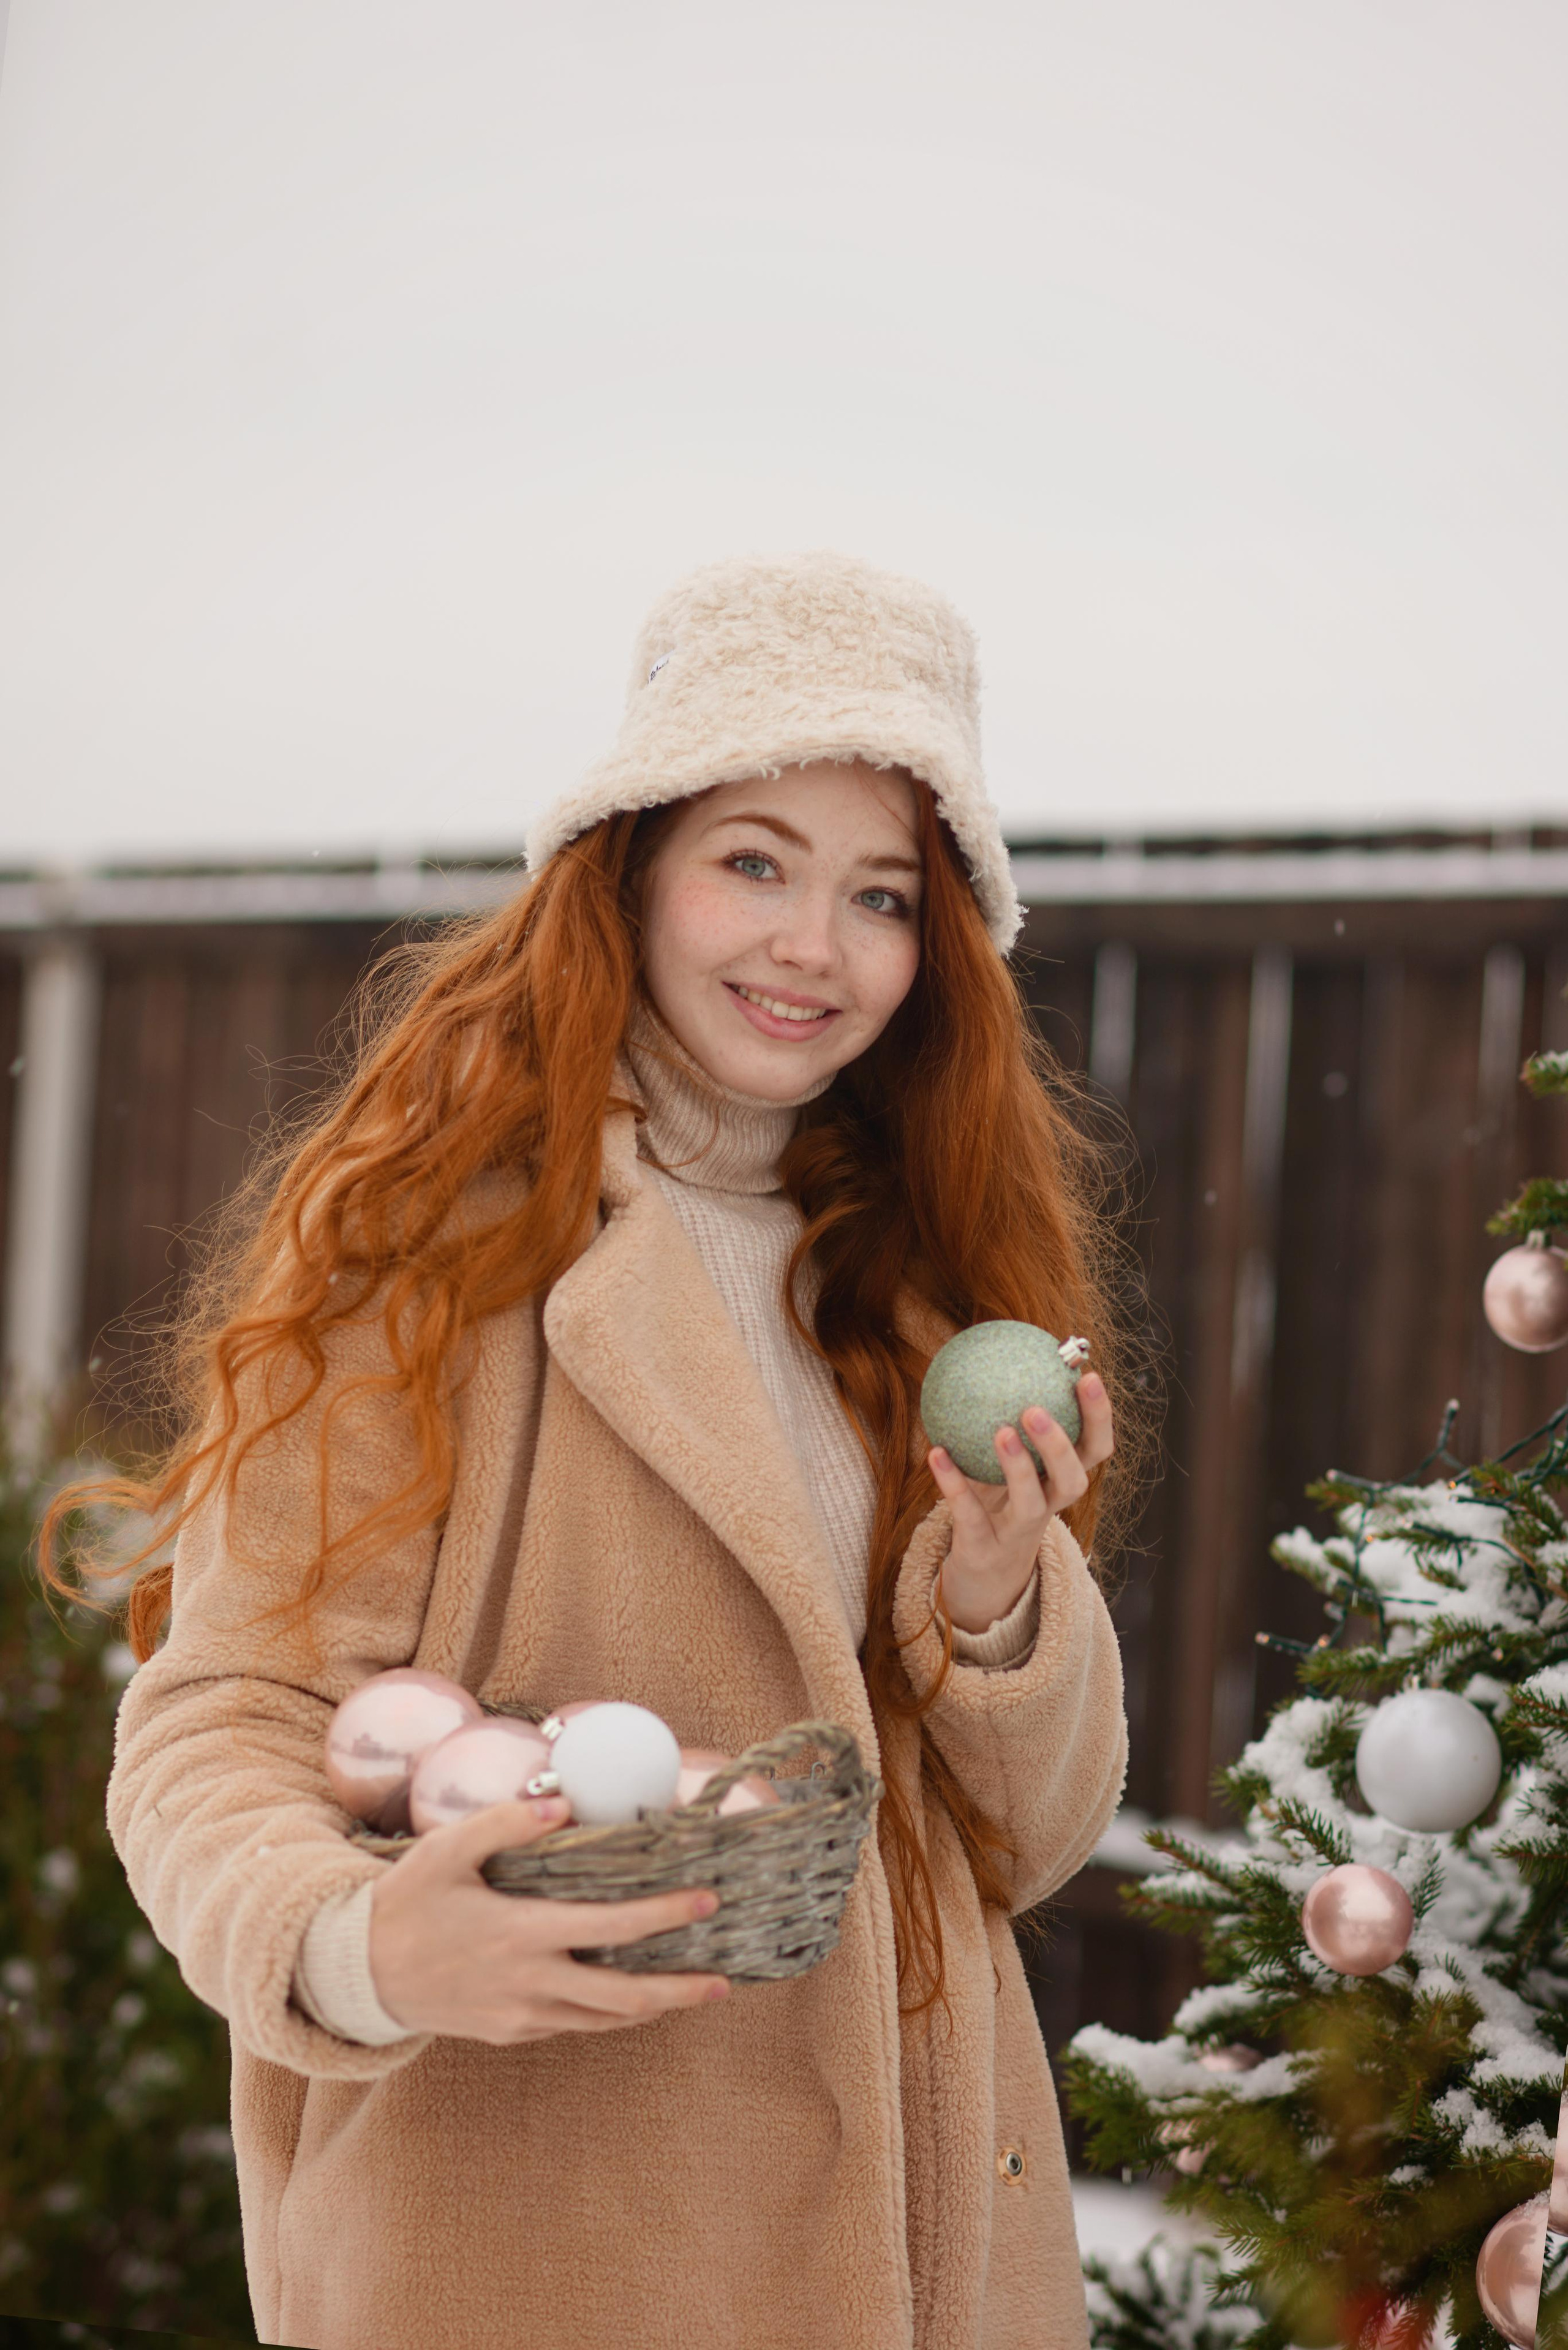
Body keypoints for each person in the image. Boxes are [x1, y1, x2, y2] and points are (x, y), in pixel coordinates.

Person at [50, 551, 1136, 2350]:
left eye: (880, 896)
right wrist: (359, 1947)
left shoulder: (915, 1297)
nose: (814, 944)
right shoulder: (426, 1254)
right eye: (756, 861)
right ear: (626, 874)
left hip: (932, 2263)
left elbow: (1027, 1845)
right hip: (541, 2244)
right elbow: (219, 1716)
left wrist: (1002, 1591)